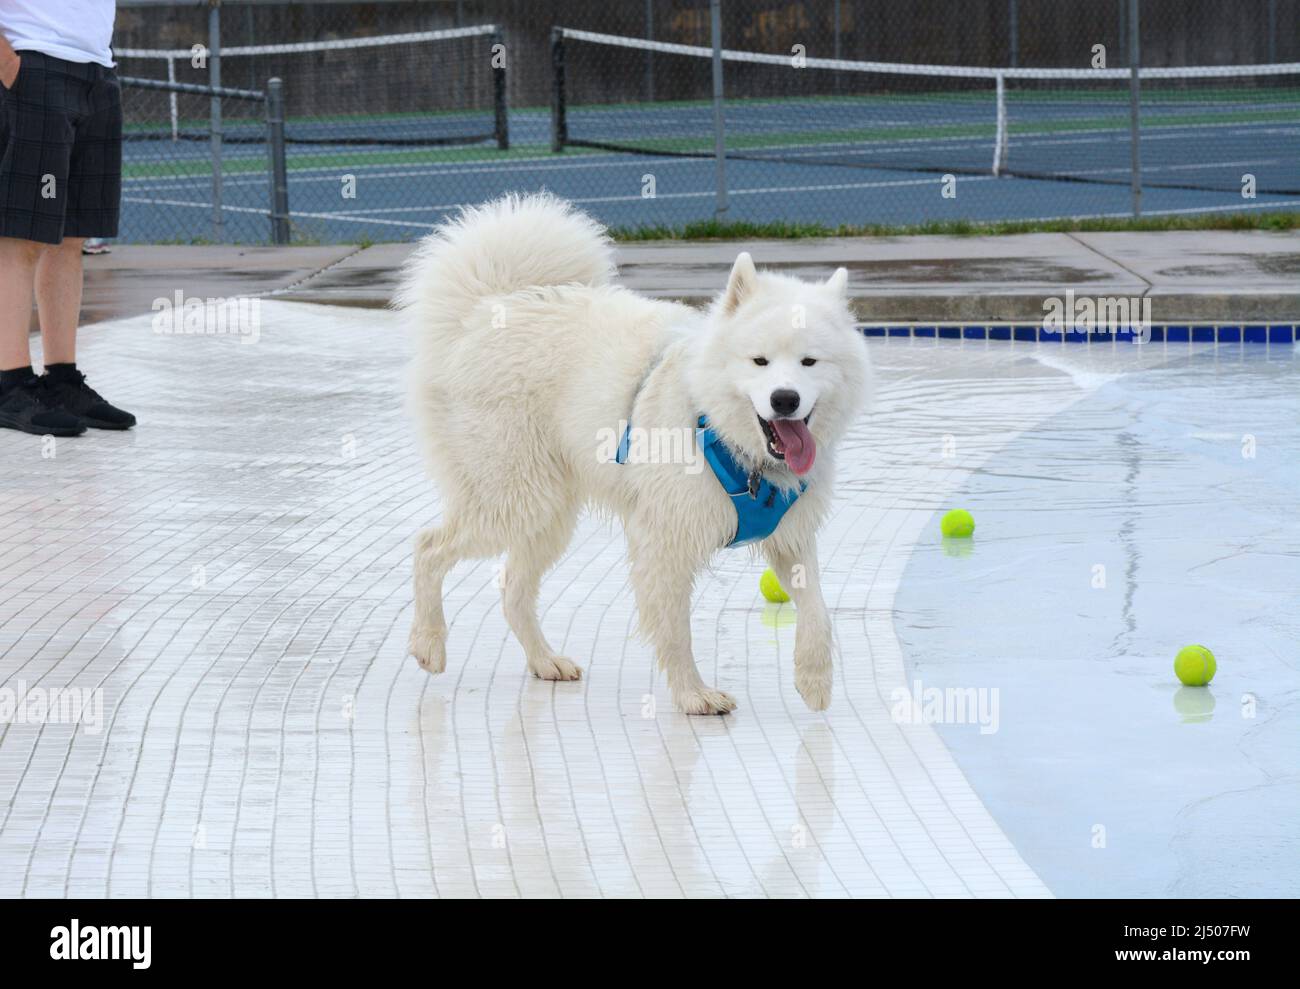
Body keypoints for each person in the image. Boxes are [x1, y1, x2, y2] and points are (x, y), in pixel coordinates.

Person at [0, 0, 134, 436]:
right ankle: (9, 383)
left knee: (70, 237)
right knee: (19, 237)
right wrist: (7, 64)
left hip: (96, 69)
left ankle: (61, 380)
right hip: (32, 65)